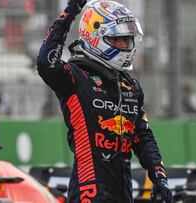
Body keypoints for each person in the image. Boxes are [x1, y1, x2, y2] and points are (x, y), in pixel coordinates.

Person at [36, 0, 172, 202]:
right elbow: (46, 63)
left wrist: (159, 177)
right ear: (94, 37)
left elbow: (143, 137)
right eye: (117, 39)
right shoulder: (75, 77)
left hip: (124, 192)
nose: (125, 45)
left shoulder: (130, 86)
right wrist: (70, 12)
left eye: (128, 40)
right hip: (88, 191)